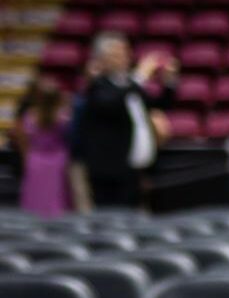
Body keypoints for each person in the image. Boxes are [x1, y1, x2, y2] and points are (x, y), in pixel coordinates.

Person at [71, 33, 177, 209]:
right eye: (116, 54)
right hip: (109, 172)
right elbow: (112, 104)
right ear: (102, 60)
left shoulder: (129, 85)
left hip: (135, 170)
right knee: (111, 216)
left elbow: (159, 104)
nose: (123, 58)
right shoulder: (98, 86)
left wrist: (169, 81)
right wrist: (140, 77)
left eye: (124, 52)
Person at [13, 76, 72, 216]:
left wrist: (26, 155)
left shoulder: (31, 115)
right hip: (56, 159)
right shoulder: (63, 115)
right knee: (54, 198)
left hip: (37, 159)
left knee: (38, 198)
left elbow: (22, 138)